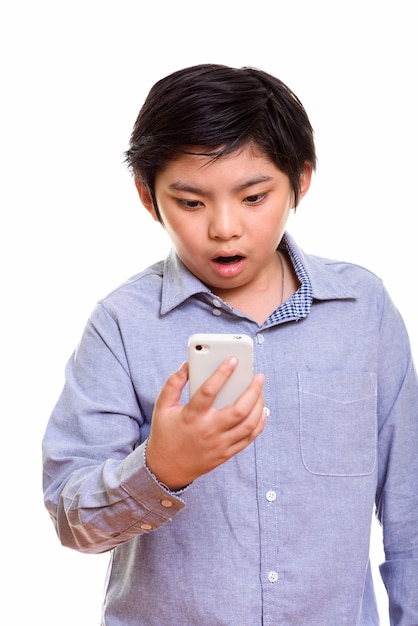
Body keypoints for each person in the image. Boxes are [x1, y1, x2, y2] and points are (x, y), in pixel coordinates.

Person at [42, 64, 418, 625]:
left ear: (301, 182)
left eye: (254, 196)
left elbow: (409, 513)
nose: (224, 227)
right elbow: (73, 523)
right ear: (148, 198)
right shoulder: (121, 323)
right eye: (191, 202)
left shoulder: (363, 310)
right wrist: (161, 468)